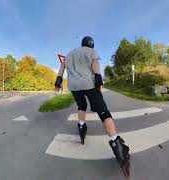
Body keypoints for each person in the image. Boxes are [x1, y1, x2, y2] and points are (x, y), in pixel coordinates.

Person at [54, 36, 130, 178]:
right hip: (89, 84)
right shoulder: (91, 51)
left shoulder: (70, 54)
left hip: (75, 86)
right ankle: (116, 143)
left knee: (81, 106)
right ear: (91, 44)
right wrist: (98, 78)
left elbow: (62, 66)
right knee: (104, 112)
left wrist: (58, 81)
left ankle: (82, 127)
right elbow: (95, 63)